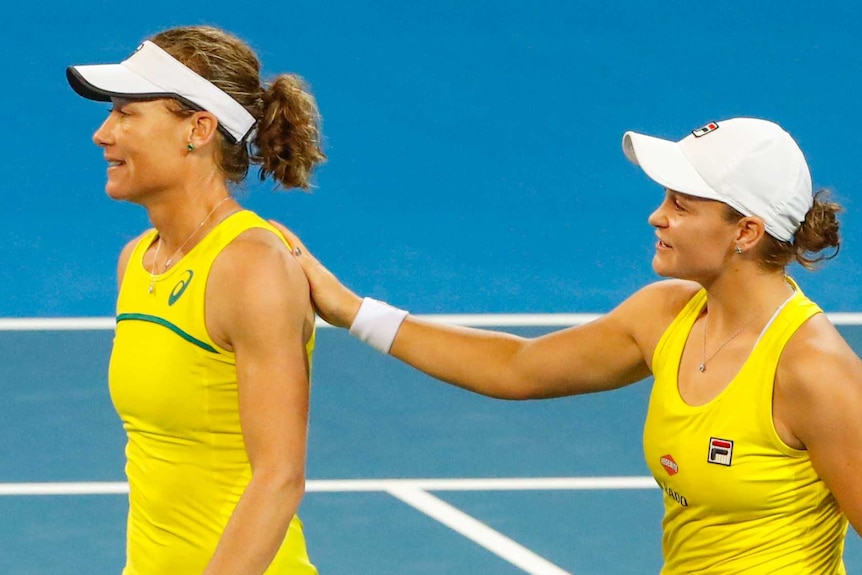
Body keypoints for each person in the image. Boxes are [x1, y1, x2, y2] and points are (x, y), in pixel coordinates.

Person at [274, 117, 862, 574]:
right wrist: (354, 311)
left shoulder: (814, 371)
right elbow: (517, 368)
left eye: (681, 204)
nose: (657, 217)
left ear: (746, 232)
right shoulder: (665, 316)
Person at [66, 26, 324, 575]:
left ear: (199, 128)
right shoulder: (137, 259)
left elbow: (279, 478)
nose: (102, 134)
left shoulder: (251, 267)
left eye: (126, 114)